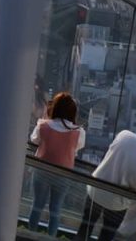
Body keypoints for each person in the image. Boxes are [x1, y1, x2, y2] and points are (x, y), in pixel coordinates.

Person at [28, 92, 85, 237]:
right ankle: (50, 237)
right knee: (55, 209)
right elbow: (77, 147)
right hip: (63, 174)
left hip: (41, 170)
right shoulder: (78, 132)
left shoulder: (43, 125)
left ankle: (29, 235)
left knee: (37, 206)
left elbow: (34, 140)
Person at [74, 130, 136, 241]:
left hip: (96, 188)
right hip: (118, 202)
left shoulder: (125, 134)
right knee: (107, 235)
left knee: (84, 230)